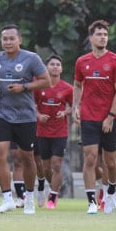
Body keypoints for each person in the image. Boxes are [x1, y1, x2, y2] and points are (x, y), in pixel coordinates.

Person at [0, 24, 51, 214]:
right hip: (2, 113)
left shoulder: (31, 58)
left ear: (19, 40)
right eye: (4, 38)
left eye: (11, 38)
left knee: (26, 158)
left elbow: (45, 80)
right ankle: (7, 198)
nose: (7, 42)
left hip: (25, 116)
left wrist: (25, 87)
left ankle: (29, 198)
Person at [73, 20, 116, 214]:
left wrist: (111, 116)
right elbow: (78, 85)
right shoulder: (82, 61)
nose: (103, 37)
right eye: (99, 34)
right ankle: (91, 202)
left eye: (105, 34)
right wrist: (75, 108)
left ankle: (111, 189)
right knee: (90, 159)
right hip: (89, 116)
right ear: (91, 38)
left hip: (110, 118)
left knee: (110, 162)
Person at [34, 54, 73, 209]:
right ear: (47, 67)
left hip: (60, 132)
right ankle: (48, 187)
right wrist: (38, 115)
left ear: (61, 69)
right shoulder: (39, 85)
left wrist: (65, 113)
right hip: (42, 132)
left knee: (57, 164)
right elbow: (32, 104)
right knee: (46, 168)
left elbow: (74, 106)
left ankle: (53, 197)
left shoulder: (67, 88)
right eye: (52, 64)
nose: (55, 66)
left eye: (58, 64)